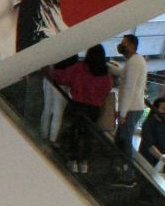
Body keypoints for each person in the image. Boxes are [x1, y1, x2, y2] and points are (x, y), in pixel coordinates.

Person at [48, 44, 115, 172]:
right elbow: (107, 88)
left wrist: (50, 71)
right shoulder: (105, 73)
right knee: (88, 135)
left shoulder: (81, 68)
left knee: (74, 133)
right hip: (94, 109)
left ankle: (72, 161)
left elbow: (64, 77)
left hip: (77, 105)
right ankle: (84, 162)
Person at [113, 34, 150, 154]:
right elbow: (122, 72)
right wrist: (107, 66)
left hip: (131, 109)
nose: (121, 46)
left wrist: (123, 114)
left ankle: (127, 168)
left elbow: (130, 88)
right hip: (133, 107)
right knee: (121, 139)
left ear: (132, 46)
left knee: (125, 140)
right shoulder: (135, 60)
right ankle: (121, 167)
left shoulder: (134, 62)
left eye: (125, 44)